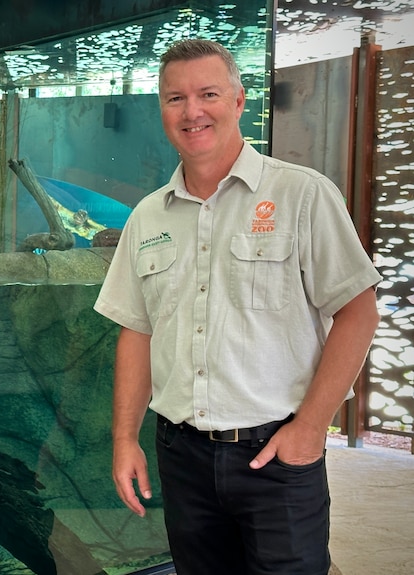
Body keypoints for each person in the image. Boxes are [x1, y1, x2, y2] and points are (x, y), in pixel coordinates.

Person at [94, 38, 381, 575]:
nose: (192, 111)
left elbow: (358, 312)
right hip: (182, 459)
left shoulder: (303, 196)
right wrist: (124, 439)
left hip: (277, 454)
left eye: (208, 94)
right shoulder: (147, 219)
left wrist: (312, 428)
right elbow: (137, 332)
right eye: (175, 98)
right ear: (161, 110)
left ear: (239, 101)